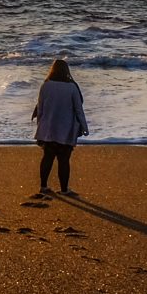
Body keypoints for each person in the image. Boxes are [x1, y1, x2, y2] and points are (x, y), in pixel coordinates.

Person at [30, 57, 88, 196]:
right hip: (66, 129)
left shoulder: (46, 85)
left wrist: (40, 127)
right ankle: (64, 190)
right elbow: (78, 110)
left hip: (48, 128)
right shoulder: (72, 87)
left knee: (47, 158)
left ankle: (43, 187)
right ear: (67, 71)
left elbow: (40, 108)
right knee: (64, 160)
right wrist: (84, 127)